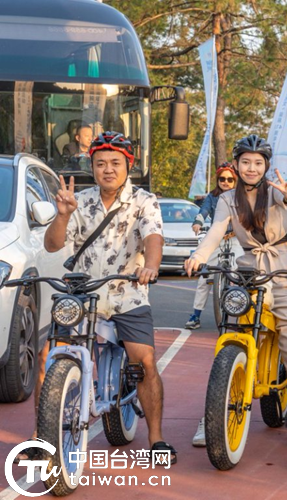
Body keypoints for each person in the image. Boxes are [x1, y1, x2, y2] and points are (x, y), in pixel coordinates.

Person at [41, 131, 176, 463]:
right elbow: (52, 245)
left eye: (115, 162)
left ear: (129, 165)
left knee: (144, 362)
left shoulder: (144, 200)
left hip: (127, 293)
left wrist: (151, 266)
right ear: (92, 167)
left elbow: (153, 236)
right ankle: (40, 435)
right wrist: (63, 214)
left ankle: (156, 439)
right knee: (49, 356)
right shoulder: (79, 200)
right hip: (82, 294)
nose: (108, 169)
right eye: (100, 163)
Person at [184, 134, 287, 448]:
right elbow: (217, 230)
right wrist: (199, 255)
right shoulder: (228, 198)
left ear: (266, 166)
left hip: (284, 272)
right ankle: (213, 415)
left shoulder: (275, 191)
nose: (252, 168)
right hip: (248, 273)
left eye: (258, 163)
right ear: (236, 164)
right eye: (246, 162)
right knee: (230, 336)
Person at [184, 162, 239, 331]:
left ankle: (244, 314)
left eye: (230, 179)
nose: (226, 182)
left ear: (235, 180)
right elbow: (204, 211)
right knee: (204, 277)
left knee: (242, 274)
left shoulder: (241, 195)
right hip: (217, 239)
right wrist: (197, 223)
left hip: (236, 239)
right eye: (222, 179)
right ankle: (195, 315)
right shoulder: (212, 196)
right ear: (217, 180)